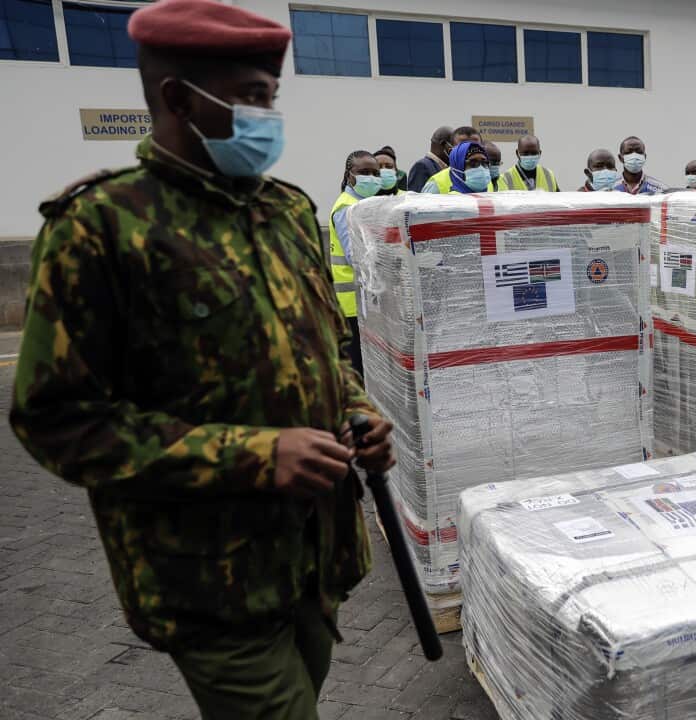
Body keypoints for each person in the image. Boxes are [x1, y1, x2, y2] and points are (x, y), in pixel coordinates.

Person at [10, 2, 396, 718]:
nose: (267, 118)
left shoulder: (284, 210)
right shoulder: (101, 229)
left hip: (316, 560)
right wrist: (254, 455)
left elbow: (322, 352)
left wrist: (359, 410)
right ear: (178, 98)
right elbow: (57, 419)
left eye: (271, 99)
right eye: (250, 98)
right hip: (210, 582)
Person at [330, 149, 380, 375]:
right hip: (352, 303)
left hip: (367, 301)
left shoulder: (368, 204)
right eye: (364, 172)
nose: (371, 177)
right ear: (349, 175)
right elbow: (354, 255)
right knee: (358, 370)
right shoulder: (346, 207)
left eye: (374, 172)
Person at [423, 126, 484, 193]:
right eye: (463, 148)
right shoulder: (436, 185)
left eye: (476, 147)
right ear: (451, 152)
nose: (470, 152)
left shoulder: (486, 180)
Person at [406, 125, 452, 192]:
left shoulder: (445, 167)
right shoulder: (422, 166)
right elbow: (417, 199)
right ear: (443, 144)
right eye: (454, 145)